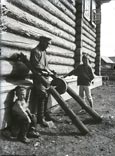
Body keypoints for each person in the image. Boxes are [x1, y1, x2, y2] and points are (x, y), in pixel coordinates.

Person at [30, 36, 52, 127]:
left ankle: (45, 115)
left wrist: (50, 71)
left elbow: (45, 65)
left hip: (45, 78)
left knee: (47, 94)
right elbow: (36, 65)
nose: (48, 46)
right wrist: (46, 70)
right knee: (43, 95)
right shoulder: (35, 51)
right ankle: (40, 119)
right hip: (38, 78)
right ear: (42, 42)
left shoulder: (44, 51)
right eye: (47, 44)